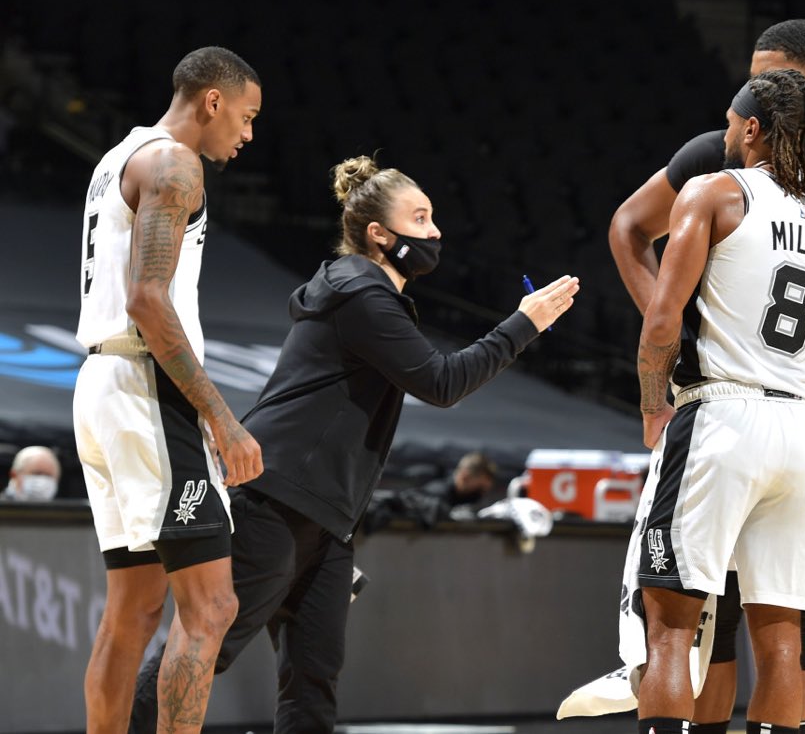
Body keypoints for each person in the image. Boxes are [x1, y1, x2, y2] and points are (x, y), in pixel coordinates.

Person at [131, 154, 580, 733]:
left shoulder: (366, 293)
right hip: (275, 499)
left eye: (433, 218)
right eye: (420, 219)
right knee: (201, 651)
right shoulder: (362, 294)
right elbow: (441, 382)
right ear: (378, 233)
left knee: (313, 678)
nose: (435, 232)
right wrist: (524, 323)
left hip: (326, 517)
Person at [609, 18, 805, 734]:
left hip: (719, 416)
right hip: (801, 430)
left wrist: (653, 401)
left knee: (673, 628)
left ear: (758, 132)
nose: (728, 135)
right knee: (783, 635)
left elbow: (661, 320)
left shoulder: (716, 192)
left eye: (735, 125)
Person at [72, 46, 263, 734]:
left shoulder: (118, 156)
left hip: (100, 384)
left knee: (132, 611)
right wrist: (220, 415)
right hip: (147, 387)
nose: (247, 134)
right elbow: (149, 300)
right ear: (212, 101)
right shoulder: (175, 162)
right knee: (211, 607)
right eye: (245, 117)